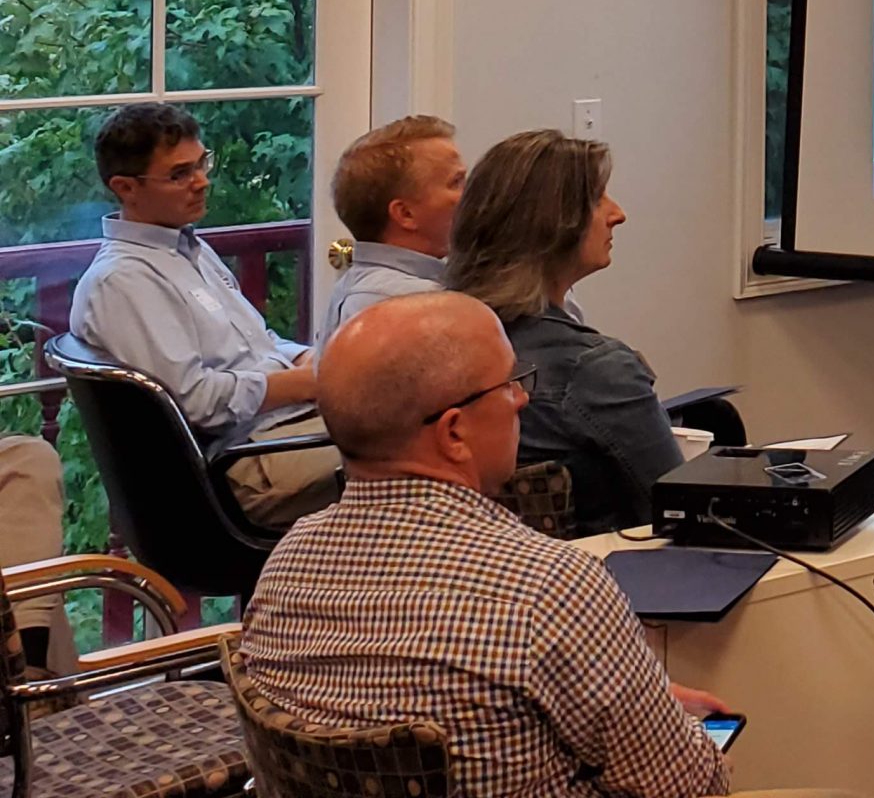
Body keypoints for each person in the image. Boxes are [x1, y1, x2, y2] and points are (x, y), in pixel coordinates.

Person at [237, 292, 730, 798]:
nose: (523, 400)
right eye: (509, 384)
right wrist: (676, 730)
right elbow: (687, 786)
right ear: (454, 432)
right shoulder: (550, 589)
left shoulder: (286, 564)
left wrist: (633, 703)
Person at [68, 102, 339, 527]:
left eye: (201, 163)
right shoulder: (124, 281)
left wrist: (306, 358)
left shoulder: (188, 249)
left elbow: (259, 342)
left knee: (417, 417)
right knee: (419, 452)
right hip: (244, 467)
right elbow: (194, 402)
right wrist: (302, 384)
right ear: (125, 187)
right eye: (180, 174)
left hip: (281, 431)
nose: (202, 181)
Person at [443, 130, 684, 536]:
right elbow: (681, 513)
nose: (618, 214)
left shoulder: (427, 350)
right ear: (553, 226)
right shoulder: (597, 371)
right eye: (598, 200)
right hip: (601, 570)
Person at [318, 114, 467, 344]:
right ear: (405, 214)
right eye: (456, 182)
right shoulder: (404, 303)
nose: (471, 193)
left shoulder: (361, 284)